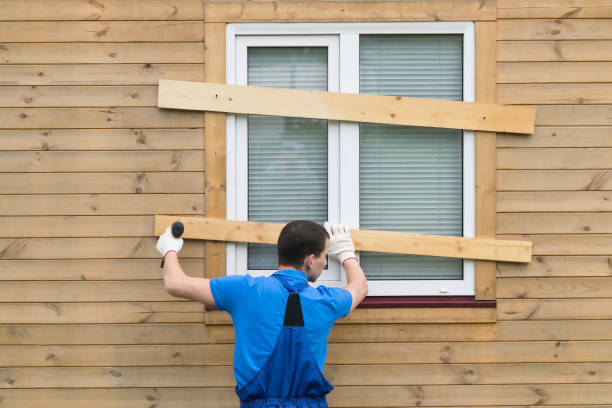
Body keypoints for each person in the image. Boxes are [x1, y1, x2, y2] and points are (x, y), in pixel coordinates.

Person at [156, 220, 368, 407]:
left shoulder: (243, 290)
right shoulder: (326, 301)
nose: (325, 263)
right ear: (310, 261)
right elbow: (359, 287)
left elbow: (175, 283)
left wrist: (169, 250)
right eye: (324, 257)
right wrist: (346, 254)